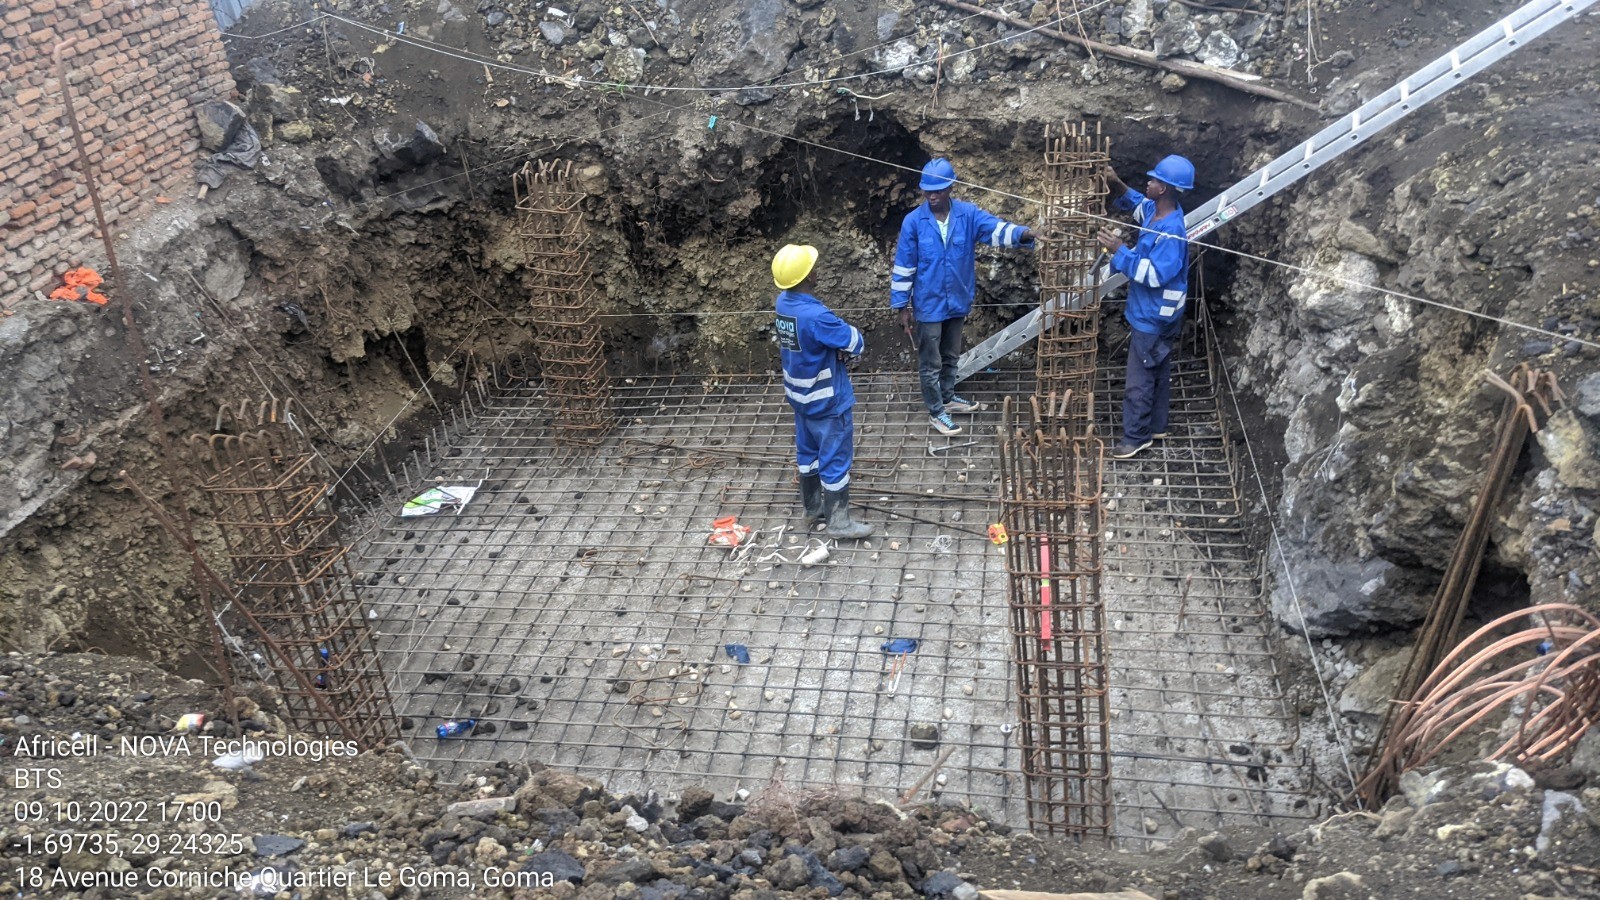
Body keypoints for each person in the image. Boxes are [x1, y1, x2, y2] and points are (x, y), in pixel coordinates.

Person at [891, 158, 1035, 437]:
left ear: (950, 188)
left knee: (950, 354)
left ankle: (948, 397)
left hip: (956, 300)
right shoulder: (914, 222)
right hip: (929, 304)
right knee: (930, 361)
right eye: (927, 191)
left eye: (938, 191)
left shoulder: (967, 216)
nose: (932, 196)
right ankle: (936, 411)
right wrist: (902, 306)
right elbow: (904, 265)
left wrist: (1027, 233)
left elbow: (996, 229)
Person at [1097, 154, 1195, 460]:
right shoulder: (1157, 210)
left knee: (1139, 379)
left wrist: (1119, 251)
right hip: (1161, 312)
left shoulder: (1172, 231)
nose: (1148, 183)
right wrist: (1116, 184)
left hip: (1154, 316)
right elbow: (1137, 203)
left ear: (1164, 189)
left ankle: (1135, 437)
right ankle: (1157, 425)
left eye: (1153, 180)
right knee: (1158, 368)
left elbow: (1154, 275)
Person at [773, 243, 873, 539]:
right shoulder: (817, 316)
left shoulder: (782, 303)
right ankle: (839, 522)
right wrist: (840, 349)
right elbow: (856, 342)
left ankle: (812, 508)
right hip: (828, 401)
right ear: (808, 277)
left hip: (800, 397)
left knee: (808, 453)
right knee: (835, 458)